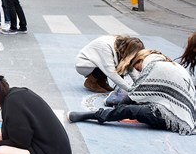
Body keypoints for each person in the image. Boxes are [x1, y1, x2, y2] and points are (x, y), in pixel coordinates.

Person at [68, 49, 196, 136]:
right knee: (140, 106)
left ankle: (93, 115)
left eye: (136, 66)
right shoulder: (169, 64)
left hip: (173, 117)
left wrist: (120, 107)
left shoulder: (154, 66)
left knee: (130, 110)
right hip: (184, 113)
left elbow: (135, 95)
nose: (137, 70)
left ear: (141, 60)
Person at [75, 35, 144, 93]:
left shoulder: (123, 46)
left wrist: (140, 85)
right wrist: (130, 90)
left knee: (118, 65)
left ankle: (101, 82)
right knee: (108, 67)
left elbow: (130, 67)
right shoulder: (105, 47)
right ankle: (91, 82)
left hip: (97, 61)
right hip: (85, 64)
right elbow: (111, 73)